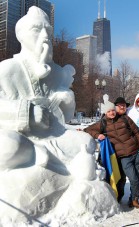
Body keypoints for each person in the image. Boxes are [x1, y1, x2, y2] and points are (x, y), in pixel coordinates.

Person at [0, 6, 95, 172]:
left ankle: (45, 158)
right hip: (20, 137)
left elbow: (63, 118)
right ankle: (38, 156)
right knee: (9, 146)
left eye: (48, 31)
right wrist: (26, 113)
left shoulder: (57, 73)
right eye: (37, 29)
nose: (45, 36)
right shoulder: (7, 69)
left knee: (87, 142)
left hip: (53, 136)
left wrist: (68, 101)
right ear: (20, 35)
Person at [85, 99, 139, 209]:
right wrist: (97, 135)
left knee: (136, 177)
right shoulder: (103, 123)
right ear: (105, 113)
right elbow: (88, 129)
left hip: (136, 152)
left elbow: (137, 133)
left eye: (112, 110)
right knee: (133, 178)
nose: (111, 113)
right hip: (123, 156)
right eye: (109, 111)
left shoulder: (124, 118)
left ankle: (133, 200)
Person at [114, 96, 130, 202]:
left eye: (124, 105)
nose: (122, 107)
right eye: (120, 105)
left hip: (124, 152)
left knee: (122, 176)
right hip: (112, 152)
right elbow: (97, 128)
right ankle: (112, 195)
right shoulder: (108, 117)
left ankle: (119, 196)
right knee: (112, 174)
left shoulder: (127, 118)